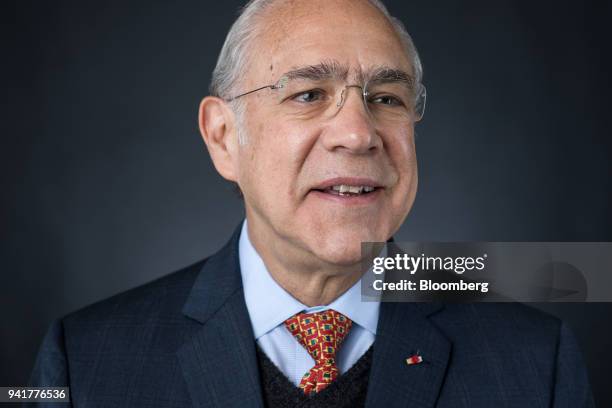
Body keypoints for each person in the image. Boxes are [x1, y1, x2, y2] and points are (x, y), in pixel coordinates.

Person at [29, 0, 594, 406]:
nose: (358, 133)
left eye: (386, 98)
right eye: (307, 94)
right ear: (224, 137)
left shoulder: (537, 359)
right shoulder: (83, 361)